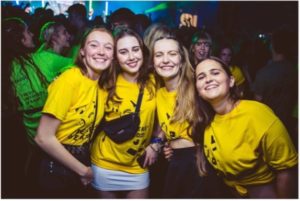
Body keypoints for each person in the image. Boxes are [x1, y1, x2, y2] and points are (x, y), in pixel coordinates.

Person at [194, 56, 298, 198]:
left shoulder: (256, 113)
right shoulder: (206, 120)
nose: (208, 79)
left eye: (215, 73)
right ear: (198, 90)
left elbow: (286, 170)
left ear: (231, 81)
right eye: (201, 77)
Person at [34, 27, 115, 198]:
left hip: (82, 157)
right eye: (94, 45)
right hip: (56, 164)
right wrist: (84, 171)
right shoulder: (69, 80)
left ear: (113, 55)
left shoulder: (103, 86)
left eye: (108, 47)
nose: (101, 52)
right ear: (83, 51)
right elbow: (43, 137)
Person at [2, 17, 73, 197]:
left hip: (24, 135)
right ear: (20, 38)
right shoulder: (43, 59)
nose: (32, 34)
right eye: (27, 31)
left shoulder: (6, 66)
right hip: (48, 134)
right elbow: (81, 66)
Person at [90, 28, 157, 199]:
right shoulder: (105, 82)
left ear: (143, 51)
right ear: (115, 57)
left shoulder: (155, 81)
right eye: (123, 52)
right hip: (104, 163)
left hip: (137, 165)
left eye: (135, 49)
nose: (132, 57)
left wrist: (157, 142)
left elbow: (170, 114)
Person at [150, 27, 207, 198]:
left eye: (172, 54)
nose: (165, 60)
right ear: (153, 62)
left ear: (182, 60)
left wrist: (201, 152)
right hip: (175, 162)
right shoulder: (159, 94)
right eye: (159, 55)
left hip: (197, 163)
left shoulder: (197, 89)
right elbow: (166, 126)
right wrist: (160, 144)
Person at [252, 28, 298, 143]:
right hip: (287, 124)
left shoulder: (264, 73)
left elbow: (257, 104)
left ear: (272, 46)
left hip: (267, 127)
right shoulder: (294, 69)